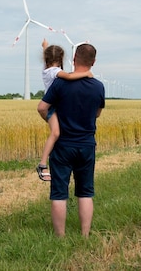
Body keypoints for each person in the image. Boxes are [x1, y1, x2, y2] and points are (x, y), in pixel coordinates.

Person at [37, 43, 105, 237]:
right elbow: (97, 113)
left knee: (59, 193)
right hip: (86, 145)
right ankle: (84, 236)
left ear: (74, 59)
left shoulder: (60, 83)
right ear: (93, 62)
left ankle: (60, 238)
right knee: (85, 192)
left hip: (63, 145)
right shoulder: (98, 87)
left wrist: (51, 121)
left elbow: (42, 107)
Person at [36, 39, 93, 181]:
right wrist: (86, 74)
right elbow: (68, 76)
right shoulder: (55, 72)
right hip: (52, 107)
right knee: (55, 133)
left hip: (52, 106)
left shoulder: (46, 69)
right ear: (61, 58)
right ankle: (42, 164)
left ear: (46, 58)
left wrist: (45, 47)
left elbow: (47, 56)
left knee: (57, 132)